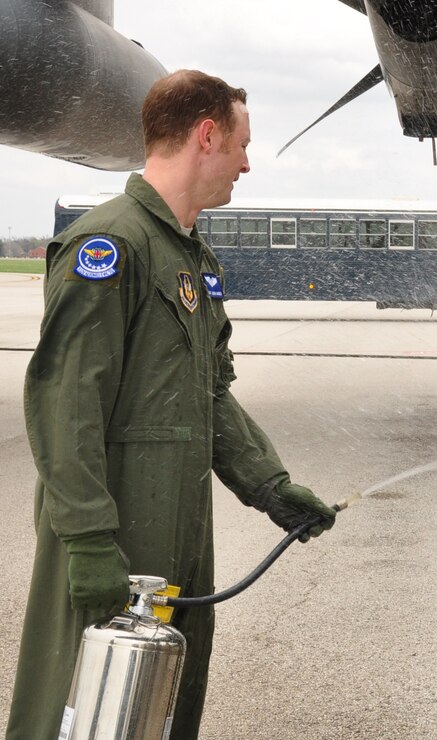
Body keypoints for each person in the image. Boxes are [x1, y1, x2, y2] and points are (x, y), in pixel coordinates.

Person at [5, 70, 337, 740]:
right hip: (114, 529)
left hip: (179, 526)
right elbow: (66, 400)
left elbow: (208, 394)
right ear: (207, 135)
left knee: (158, 710)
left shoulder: (191, 257)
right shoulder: (111, 244)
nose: (247, 163)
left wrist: (269, 486)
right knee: (76, 708)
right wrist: (90, 539)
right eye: (243, 145)